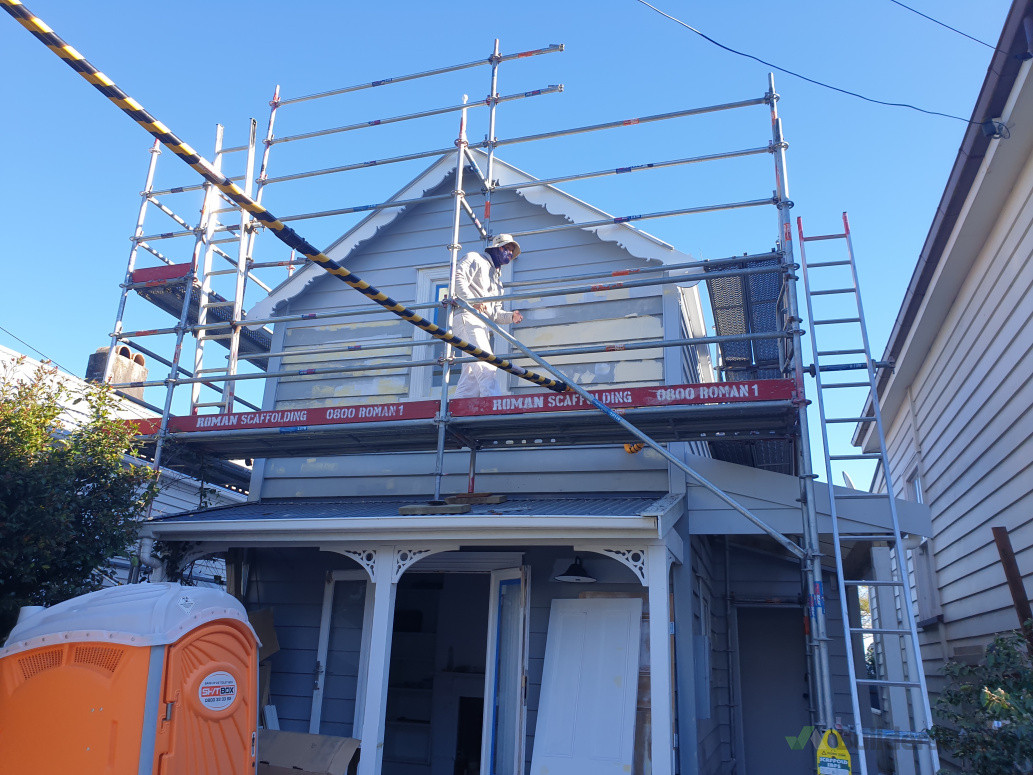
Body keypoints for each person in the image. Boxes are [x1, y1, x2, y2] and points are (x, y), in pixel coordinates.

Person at [451, 233, 524, 398]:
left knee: (471, 374)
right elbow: (457, 279)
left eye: (511, 251)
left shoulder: (497, 281)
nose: (509, 253)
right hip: (467, 317)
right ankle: (494, 404)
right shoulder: (475, 258)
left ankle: (459, 407)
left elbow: (494, 314)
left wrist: (510, 316)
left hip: (480, 323)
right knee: (486, 365)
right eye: (506, 248)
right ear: (495, 248)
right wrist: (473, 302)